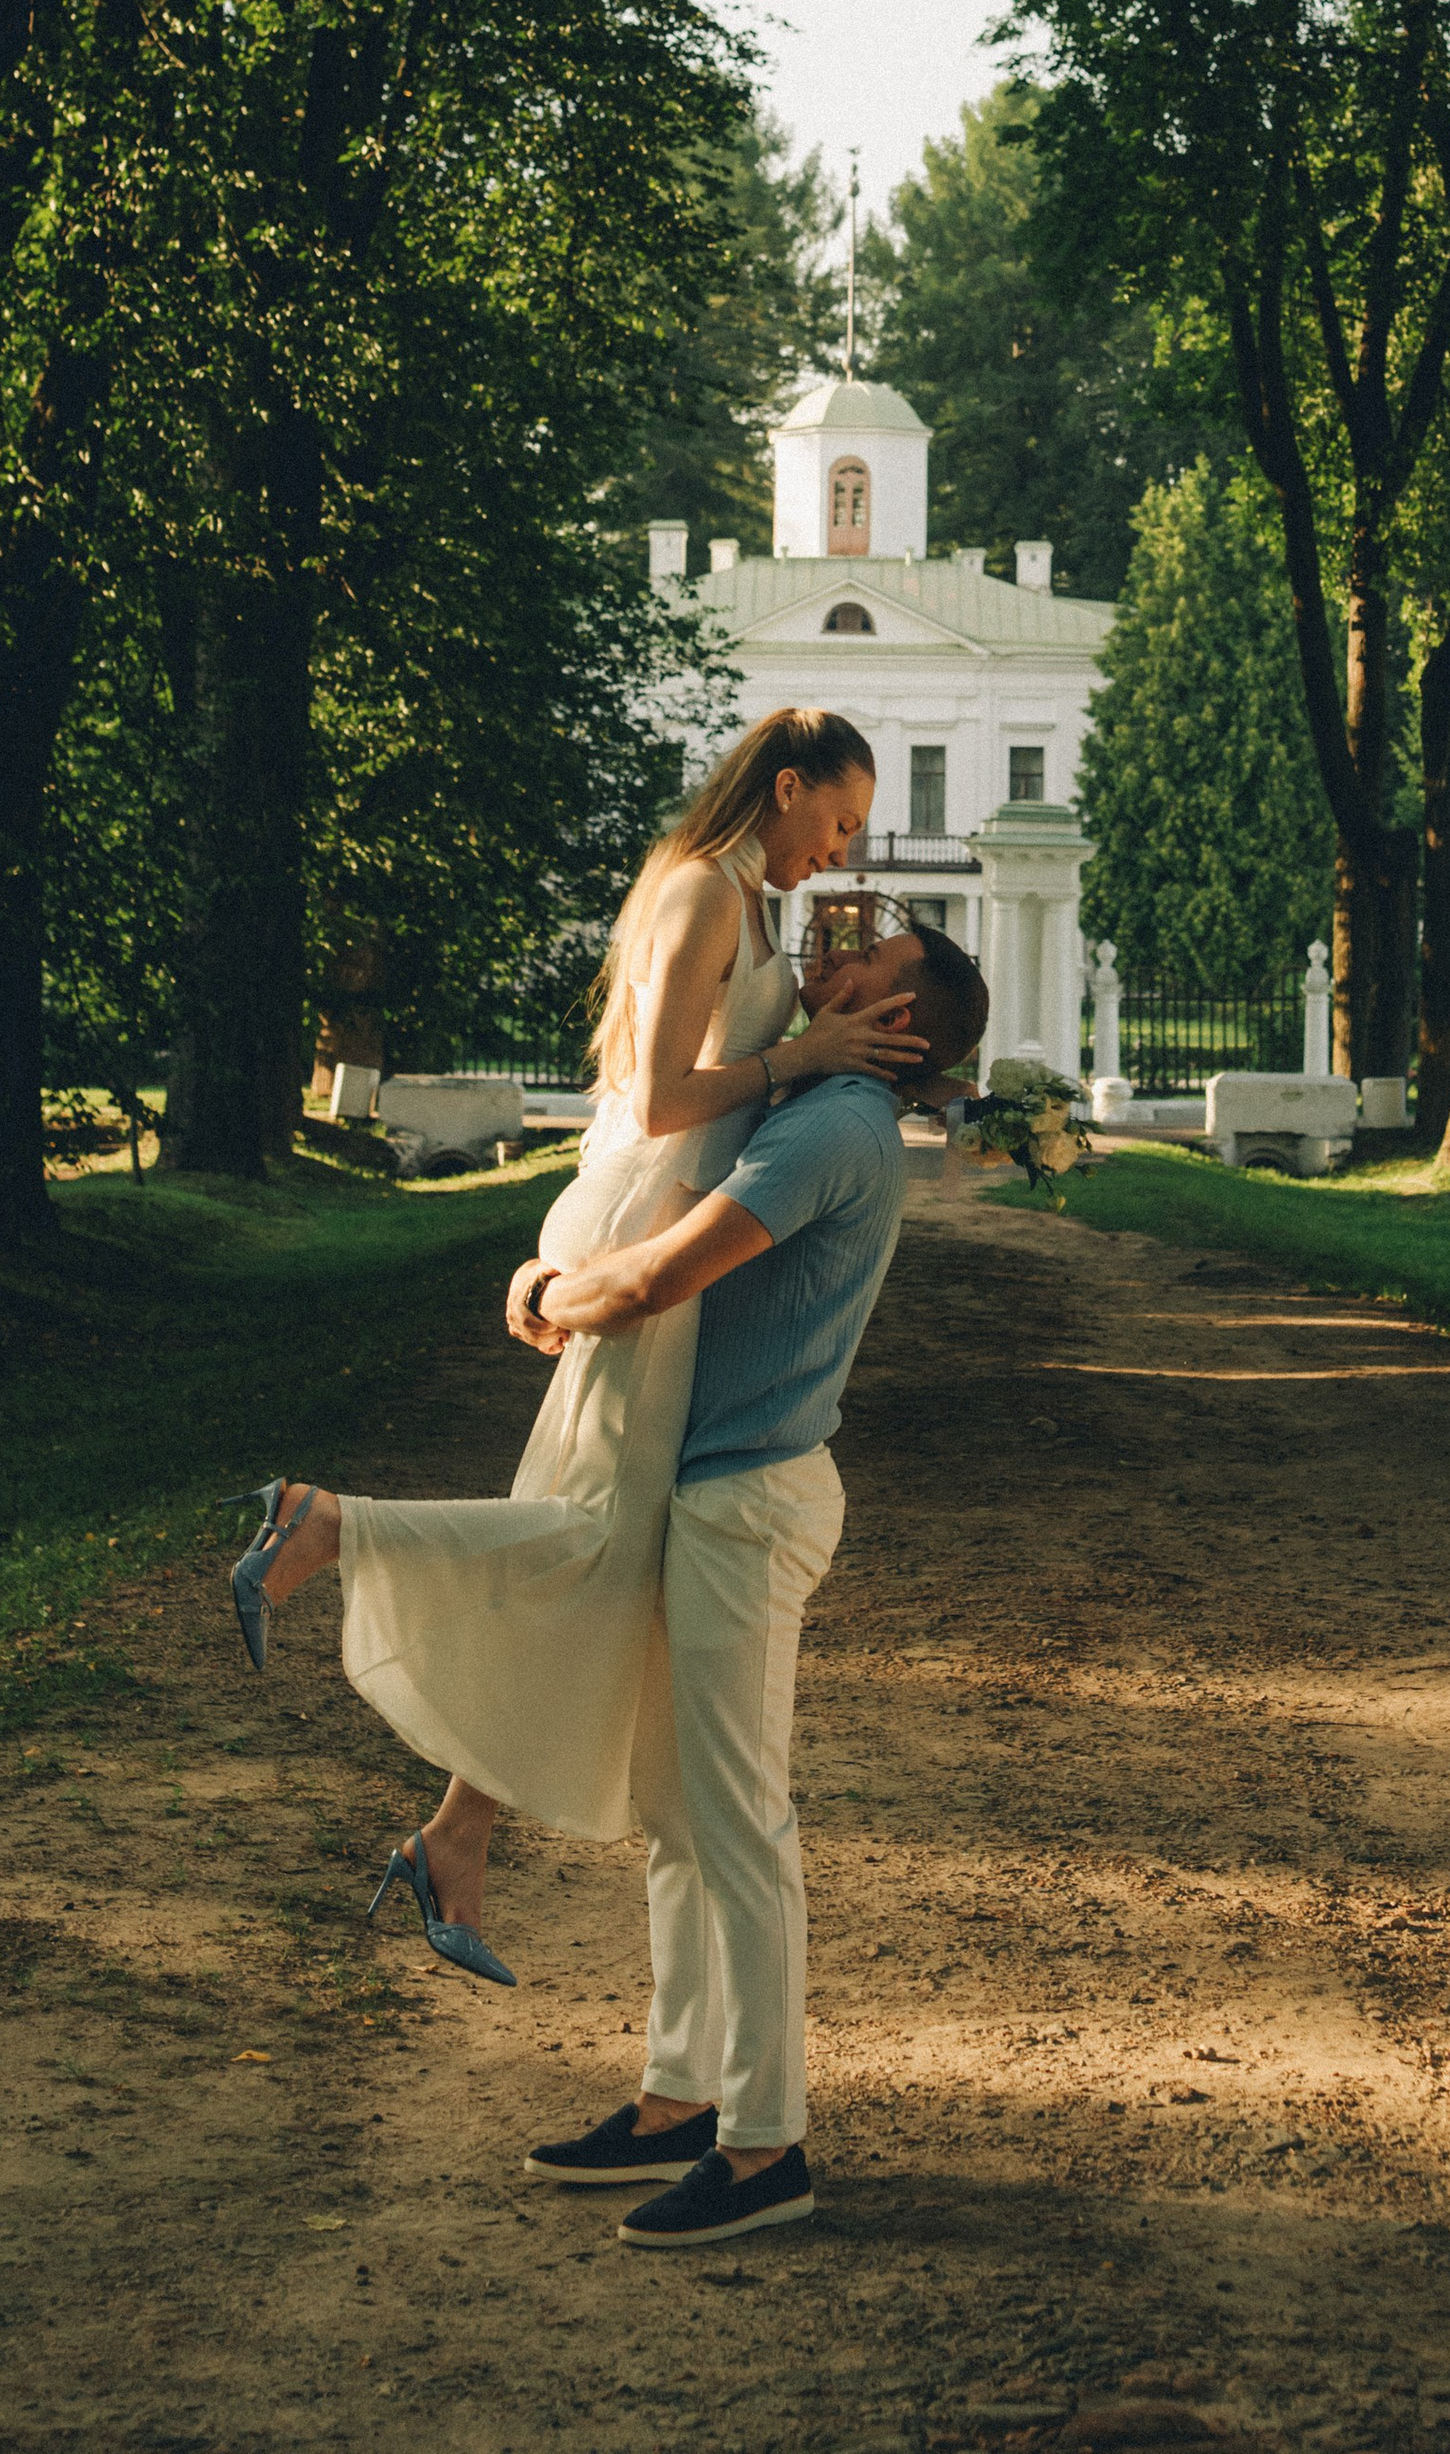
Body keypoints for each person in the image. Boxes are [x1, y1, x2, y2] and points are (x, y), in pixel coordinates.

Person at [225, 707, 929, 1978]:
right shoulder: (700, 894)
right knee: (600, 1534)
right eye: (835, 823)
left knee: (611, 1553)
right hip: (649, 1225)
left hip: (682, 1226)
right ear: (781, 790)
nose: (841, 852)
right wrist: (803, 1058)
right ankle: (328, 1525)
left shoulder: (753, 898)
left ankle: (455, 1838)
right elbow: (660, 1101)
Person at [512, 916, 990, 2247]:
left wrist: (551, 1287)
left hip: (744, 1504)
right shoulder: (812, 1099)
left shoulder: (834, 1130)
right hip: (708, 1488)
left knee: (738, 1828)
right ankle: (675, 2101)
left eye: (871, 960)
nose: (835, 955)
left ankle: (768, 2141)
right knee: (680, 1817)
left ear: (901, 1021)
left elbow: (664, 1277)